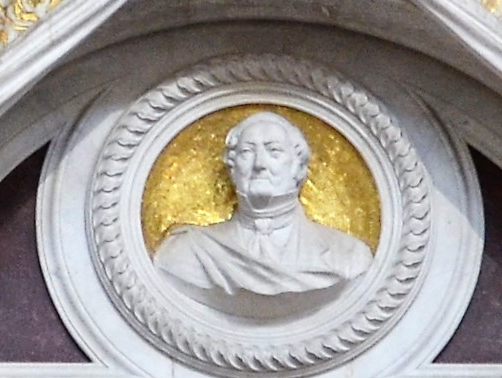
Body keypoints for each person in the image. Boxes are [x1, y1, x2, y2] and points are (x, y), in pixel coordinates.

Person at [145, 111, 371, 313]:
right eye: (247, 152)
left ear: (298, 167)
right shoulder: (187, 251)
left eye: (274, 151)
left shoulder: (347, 254)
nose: (260, 164)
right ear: (232, 167)